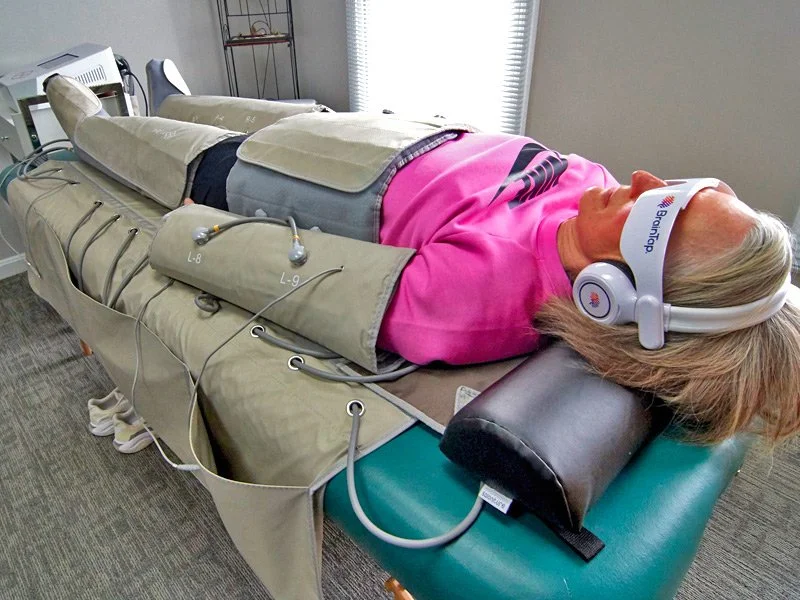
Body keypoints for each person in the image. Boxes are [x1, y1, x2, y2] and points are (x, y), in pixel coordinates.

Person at [41, 73, 800, 446]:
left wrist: (197, 233)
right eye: (676, 187)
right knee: (208, 107)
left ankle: (93, 127)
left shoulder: (486, 294)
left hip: (280, 183)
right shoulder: (595, 191)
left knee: (141, 143)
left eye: (656, 214)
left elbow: (325, 285)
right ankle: (181, 99)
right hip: (361, 133)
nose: (638, 183)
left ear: (621, 295)